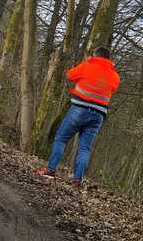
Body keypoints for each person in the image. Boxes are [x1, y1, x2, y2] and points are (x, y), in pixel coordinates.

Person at [37, 46, 120, 186]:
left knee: (61, 138)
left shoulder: (87, 66)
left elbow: (69, 75)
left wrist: (87, 63)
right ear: (109, 59)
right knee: (84, 148)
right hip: (98, 116)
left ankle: (50, 171)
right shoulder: (115, 76)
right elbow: (112, 88)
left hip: (79, 110)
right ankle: (77, 180)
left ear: (95, 55)